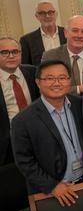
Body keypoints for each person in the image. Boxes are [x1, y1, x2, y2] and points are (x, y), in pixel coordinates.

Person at [11, 59, 83, 201]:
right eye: (49, 78)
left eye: (62, 78)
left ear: (69, 81)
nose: (57, 83)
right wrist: (52, 186)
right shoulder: (22, 121)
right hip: (52, 192)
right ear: (38, 82)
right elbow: (24, 160)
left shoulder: (80, 104)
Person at [41, 15, 83, 95]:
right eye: (75, 31)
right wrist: (79, 89)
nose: (79, 35)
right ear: (66, 33)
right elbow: (47, 89)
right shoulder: (50, 57)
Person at [0, 37, 38, 165]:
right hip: (7, 143)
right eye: (4, 52)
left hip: (36, 136)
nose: (11, 56)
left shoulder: (33, 72)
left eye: (15, 51)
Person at [20, 0, 66, 66]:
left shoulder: (68, 33)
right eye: (42, 13)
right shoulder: (26, 40)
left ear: (56, 14)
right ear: (37, 16)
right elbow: (26, 67)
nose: (47, 16)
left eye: (50, 12)